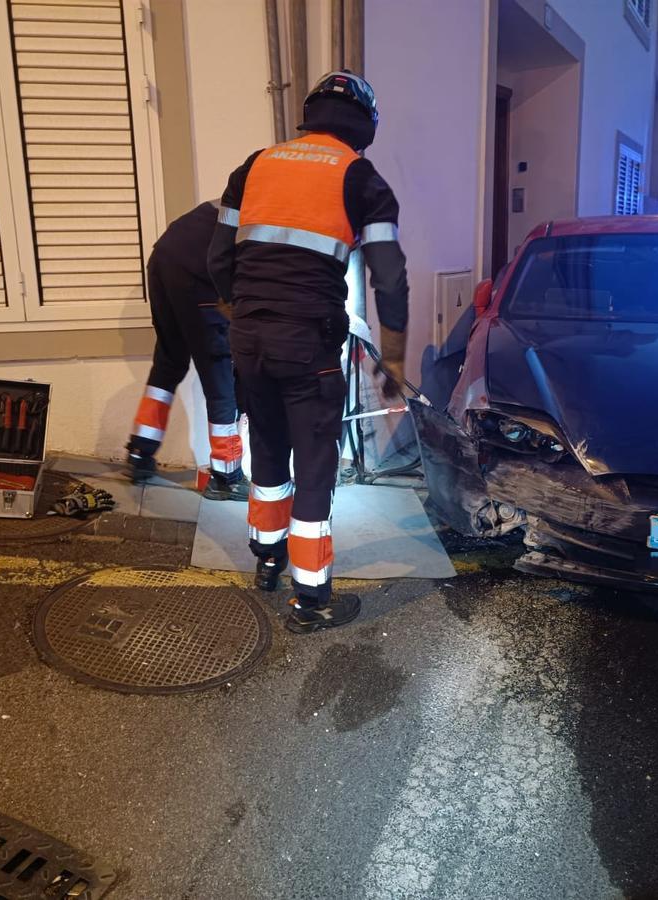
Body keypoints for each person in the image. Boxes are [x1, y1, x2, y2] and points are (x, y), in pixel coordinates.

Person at [208, 70, 410, 634]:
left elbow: (217, 259)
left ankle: (267, 560)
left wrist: (243, 312)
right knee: (316, 464)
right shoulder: (362, 178)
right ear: (365, 125)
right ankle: (312, 598)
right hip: (309, 346)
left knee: (268, 450)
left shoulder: (254, 166)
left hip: (249, 338)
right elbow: (389, 277)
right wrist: (392, 358)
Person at [127, 201, 248, 500]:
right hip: (199, 271)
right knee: (220, 372)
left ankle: (141, 451)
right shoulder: (277, 213)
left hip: (163, 258)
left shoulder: (246, 192)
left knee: (170, 359)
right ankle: (226, 476)